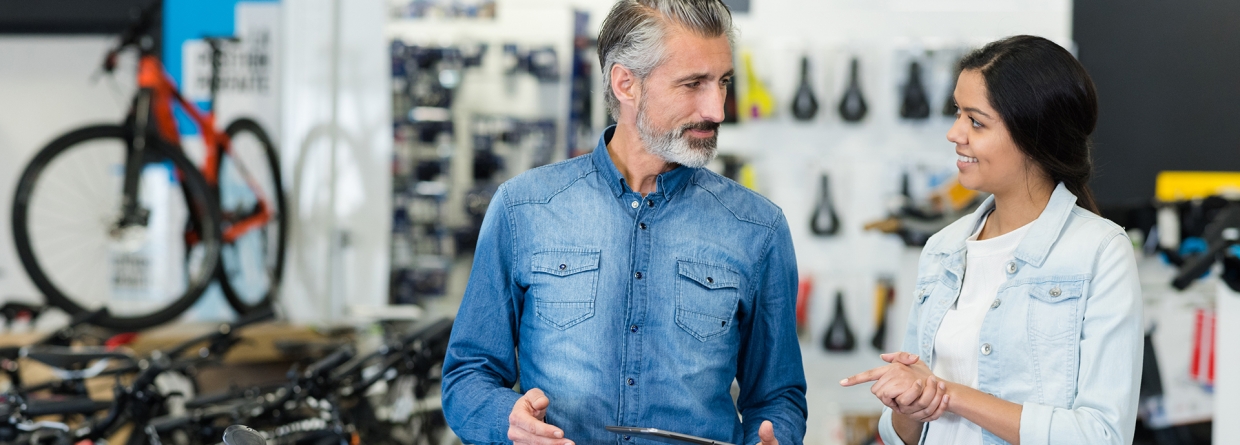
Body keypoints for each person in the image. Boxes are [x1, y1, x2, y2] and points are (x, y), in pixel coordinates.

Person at [441, 1, 807, 444]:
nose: (717, 110)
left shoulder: (758, 228)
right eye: (693, 84)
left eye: (722, 83)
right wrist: (507, 420)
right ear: (625, 83)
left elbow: (778, 395)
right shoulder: (524, 209)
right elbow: (468, 376)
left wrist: (775, 438)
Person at [840, 35, 1143, 445]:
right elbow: (902, 435)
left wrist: (949, 395)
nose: (954, 133)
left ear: (1033, 134)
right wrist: (908, 403)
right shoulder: (943, 249)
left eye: (975, 121)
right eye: (957, 113)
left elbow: (1101, 435)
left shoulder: (1099, 252)